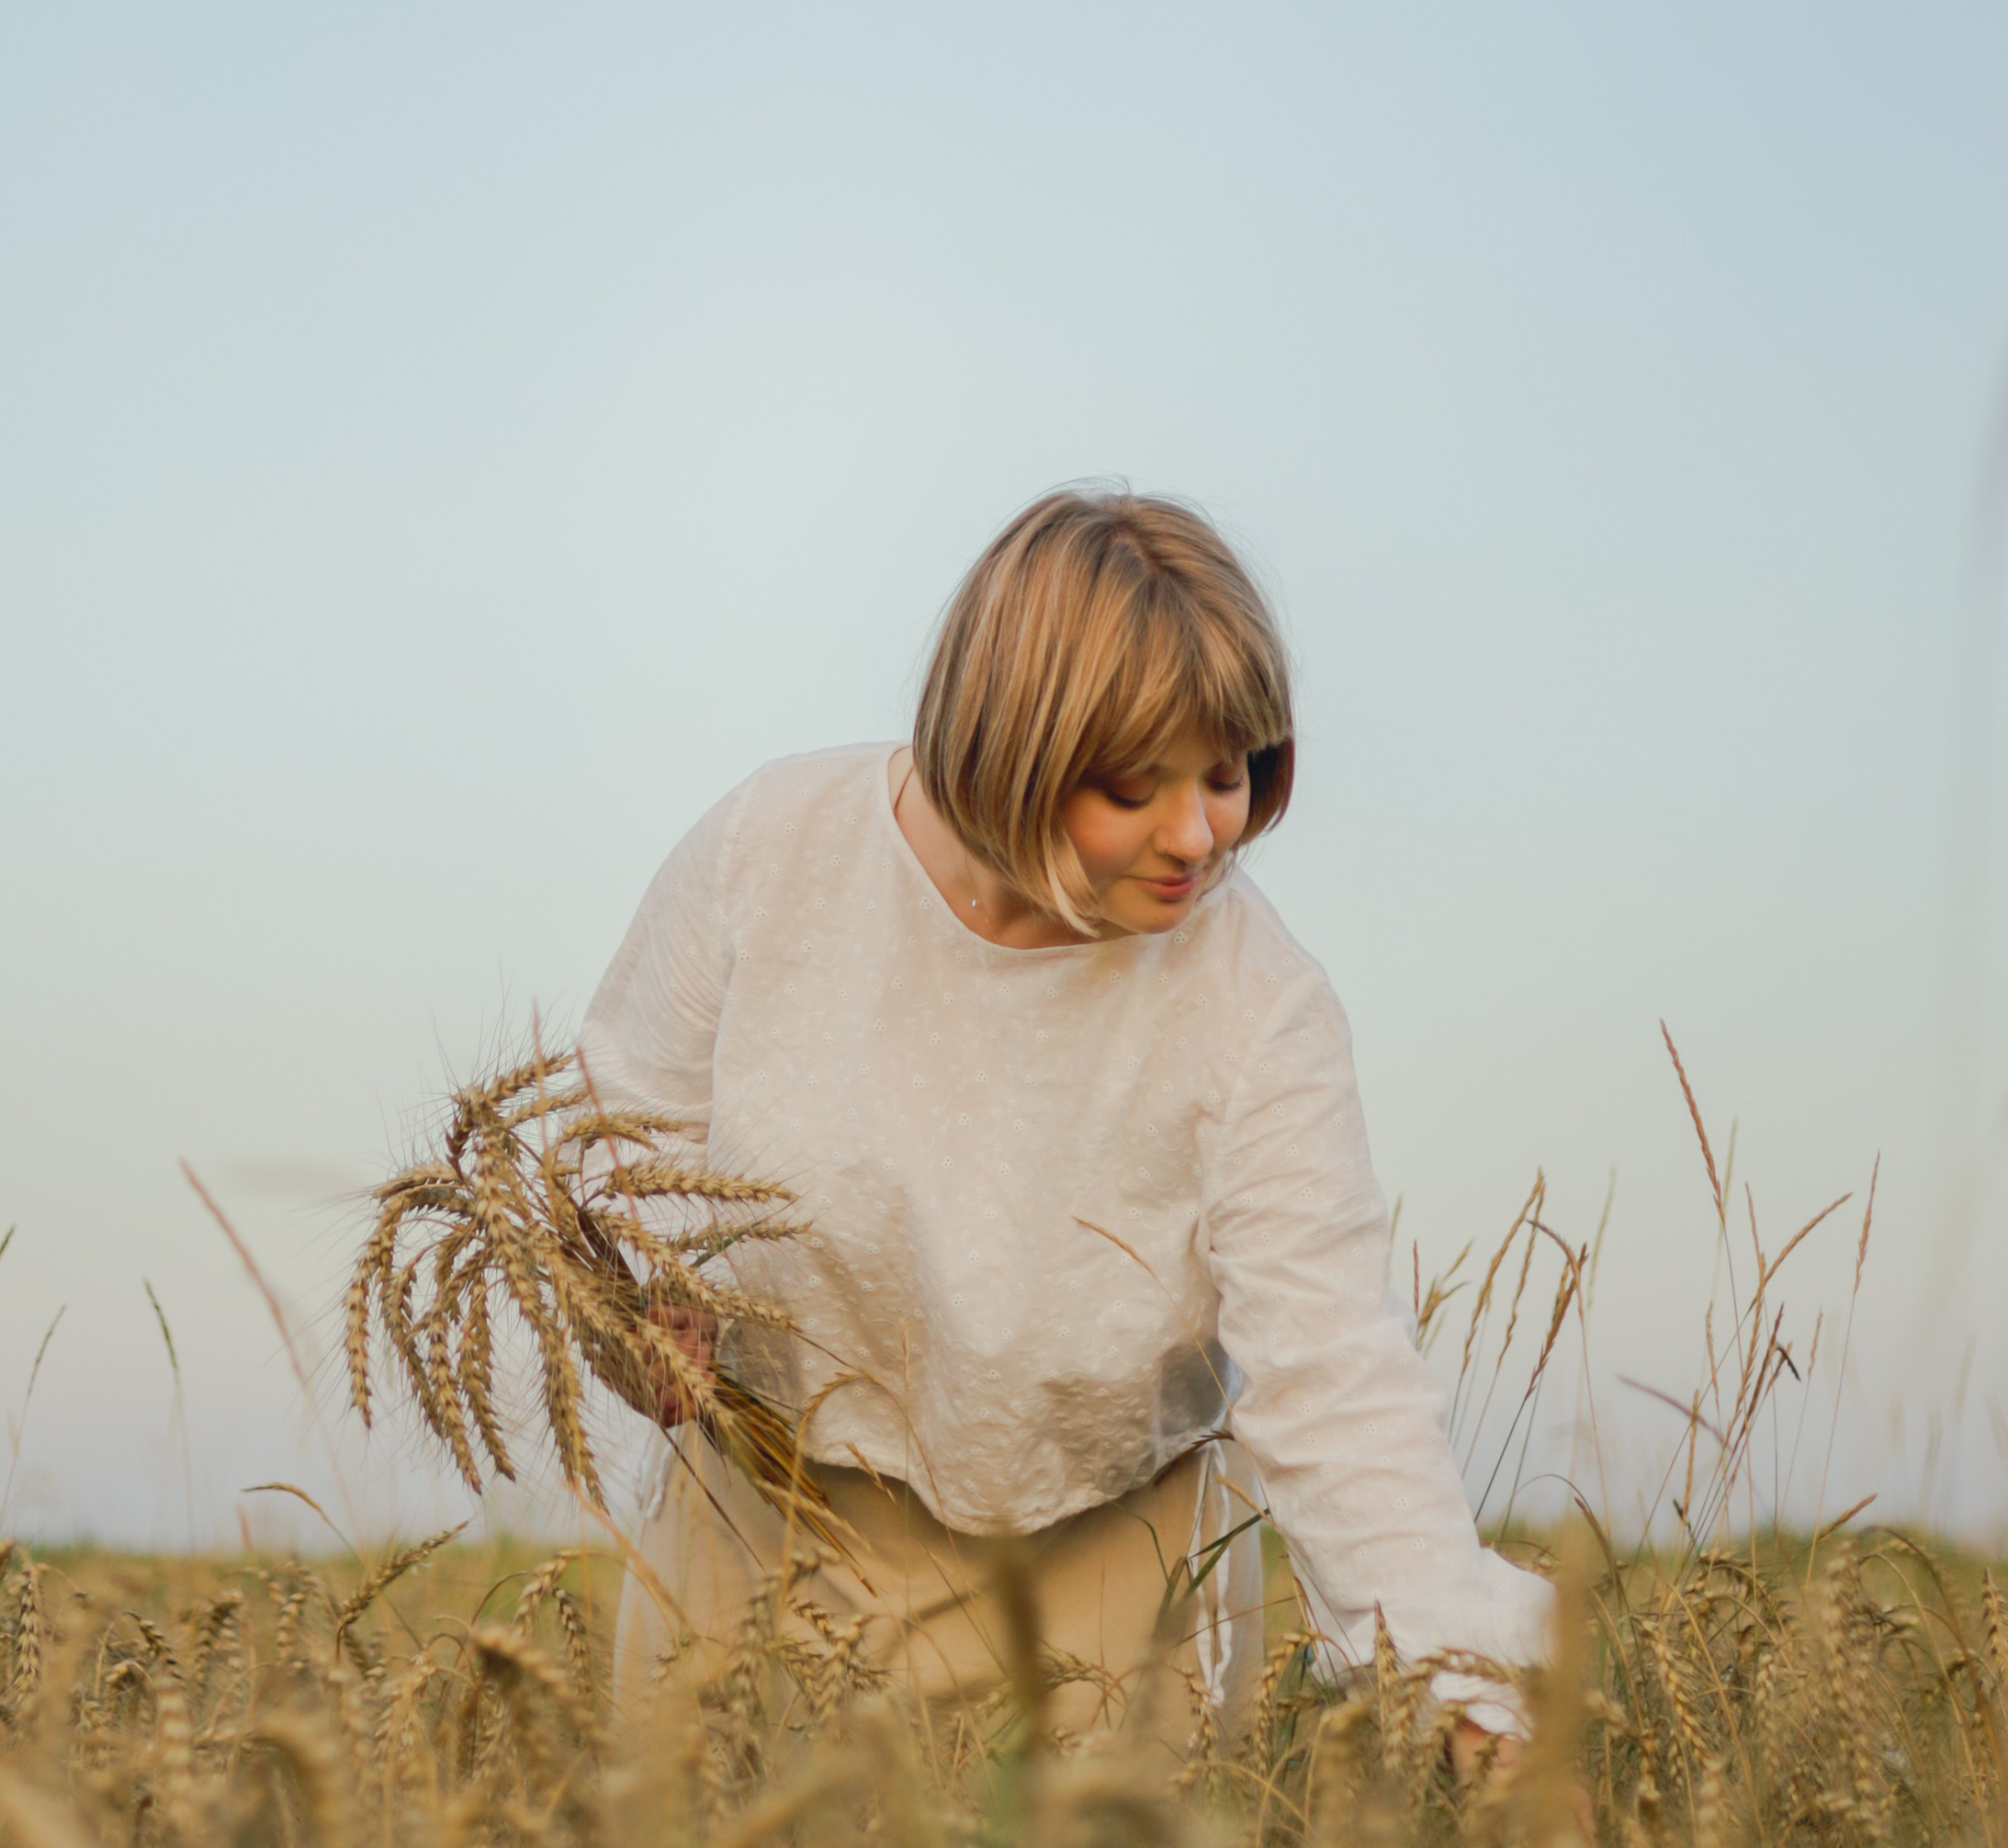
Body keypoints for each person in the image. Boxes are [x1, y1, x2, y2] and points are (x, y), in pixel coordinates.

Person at [581, 487, 1551, 1757]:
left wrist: (1463, 1685)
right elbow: (615, 1133)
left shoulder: (1260, 1005)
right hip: (769, 1529)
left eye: (1228, 771)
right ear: (1011, 748)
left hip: (1112, 1578)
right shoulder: (772, 850)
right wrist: (632, 1309)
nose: (1200, 832)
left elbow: (1334, 1371)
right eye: (1135, 786)